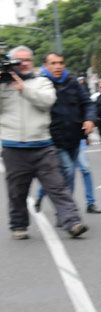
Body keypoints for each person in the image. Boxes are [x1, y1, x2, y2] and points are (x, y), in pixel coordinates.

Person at [0, 45, 88, 239]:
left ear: (33, 62)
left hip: (42, 146)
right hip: (13, 147)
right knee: (16, 192)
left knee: (58, 187)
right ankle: (18, 225)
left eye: (27, 60)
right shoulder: (2, 85)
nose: (23, 64)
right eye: (18, 61)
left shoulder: (42, 82)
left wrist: (23, 89)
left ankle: (72, 222)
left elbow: (47, 101)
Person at [35, 52, 101, 215]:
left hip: (74, 138)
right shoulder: (40, 84)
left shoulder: (72, 82)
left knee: (61, 174)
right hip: (53, 140)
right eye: (53, 63)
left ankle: (44, 198)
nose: (57, 66)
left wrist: (89, 119)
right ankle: (67, 212)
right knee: (68, 171)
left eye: (60, 62)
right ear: (46, 65)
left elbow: (88, 103)